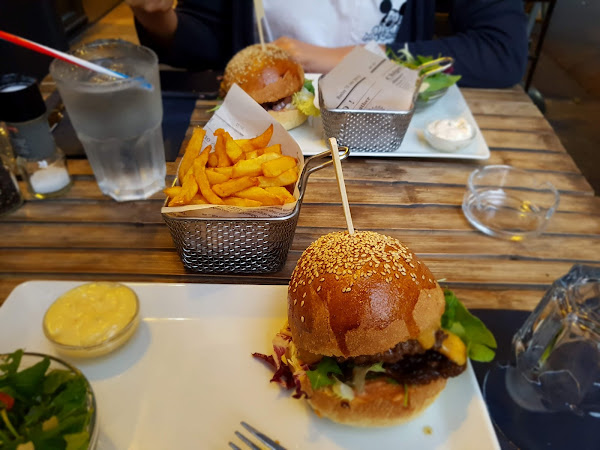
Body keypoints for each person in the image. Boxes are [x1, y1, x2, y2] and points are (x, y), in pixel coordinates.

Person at [125, 0, 528, 88]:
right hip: (267, 124)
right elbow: (207, 44)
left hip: (393, 127)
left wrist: (344, 60)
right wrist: (156, 16)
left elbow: (499, 52)